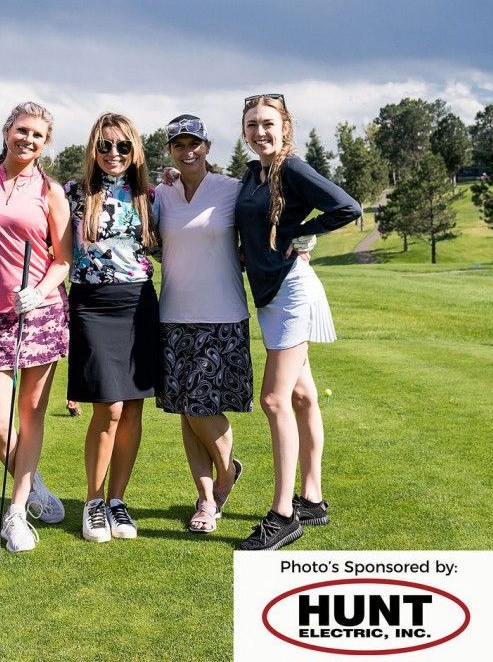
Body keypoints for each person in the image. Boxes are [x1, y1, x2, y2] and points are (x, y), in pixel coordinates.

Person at [234, 94, 361, 551]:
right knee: (303, 396)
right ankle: (313, 497)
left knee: (274, 400)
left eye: (268, 123)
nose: (260, 132)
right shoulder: (253, 174)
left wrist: (300, 233)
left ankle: (283, 513)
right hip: (269, 294)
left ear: (285, 127)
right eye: (252, 125)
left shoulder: (290, 167)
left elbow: (347, 207)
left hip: (291, 290)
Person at [0, 101, 72, 553]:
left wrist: (40, 289)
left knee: (29, 415)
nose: (28, 139)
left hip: (41, 312)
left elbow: (65, 258)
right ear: (7, 130)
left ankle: (15, 514)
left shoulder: (49, 190)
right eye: (21, 130)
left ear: (45, 143)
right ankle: (31, 485)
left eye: (38, 135)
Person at [65, 112, 162, 542]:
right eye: (105, 145)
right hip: (92, 304)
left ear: (134, 149)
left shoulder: (150, 195)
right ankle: (93, 501)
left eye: (122, 146)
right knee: (110, 407)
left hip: (139, 303)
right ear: (93, 148)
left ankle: (118, 501)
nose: (114, 154)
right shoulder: (72, 193)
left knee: (134, 407)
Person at [152, 114, 250, 533]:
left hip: (222, 314)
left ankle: (226, 475)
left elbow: (266, 227)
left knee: (199, 406)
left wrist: (301, 244)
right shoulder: (162, 194)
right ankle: (208, 499)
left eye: (195, 143)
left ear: (207, 146)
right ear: (170, 150)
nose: (187, 150)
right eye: (178, 144)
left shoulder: (231, 189)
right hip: (173, 315)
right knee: (186, 411)